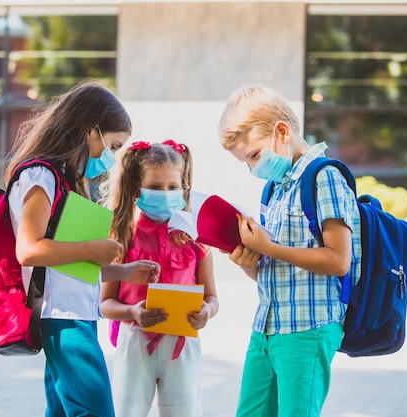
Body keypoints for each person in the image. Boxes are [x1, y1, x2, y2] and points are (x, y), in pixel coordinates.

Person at [5, 80, 160, 417]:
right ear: (92, 131)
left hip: (75, 314)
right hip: (62, 318)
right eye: (113, 145)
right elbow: (29, 251)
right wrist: (92, 248)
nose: (112, 157)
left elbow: (64, 262)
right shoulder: (39, 176)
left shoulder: (63, 179)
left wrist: (122, 271)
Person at [217, 84, 362, 417]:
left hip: (307, 330)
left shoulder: (324, 177)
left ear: (281, 131)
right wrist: (248, 261)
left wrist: (270, 247)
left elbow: (338, 260)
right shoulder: (275, 190)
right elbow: (277, 269)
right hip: (267, 328)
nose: (253, 168)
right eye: (246, 162)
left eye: (253, 155)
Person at [100, 140, 219, 417]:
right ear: (136, 188)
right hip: (134, 340)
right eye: (154, 187)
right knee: (126, 412)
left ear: (183, 187)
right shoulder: (122, 236)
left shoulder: (195, 240)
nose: (164, 193)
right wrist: (131, 311)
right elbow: (104, 303)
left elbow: (212, 298)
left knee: (184, 412)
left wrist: (207, 312)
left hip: (183, 341)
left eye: (172, 187)